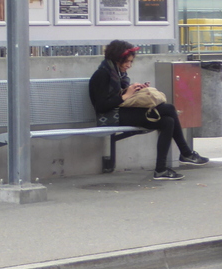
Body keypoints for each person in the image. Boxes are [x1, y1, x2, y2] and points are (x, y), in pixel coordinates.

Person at [89, 39, 209, 181]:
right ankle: (185, 153)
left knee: (167, 121)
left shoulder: (117, 73)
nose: (129, 65)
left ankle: (161, 169)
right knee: (168, 108)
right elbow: (101, 106)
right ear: (116, 59)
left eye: (131, 62)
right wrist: (126, 95)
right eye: (126, 62)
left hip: (121, 112)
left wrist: (135, 89)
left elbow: (120, 94)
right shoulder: (102, 75)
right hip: (110, 117)